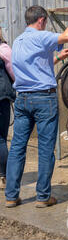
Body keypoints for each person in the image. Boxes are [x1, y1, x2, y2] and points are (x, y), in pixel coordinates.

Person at [5, 5, 68, 208]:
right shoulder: (41, 37)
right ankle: (43, 197)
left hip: (23, 99)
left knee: (17, 147)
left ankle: (11, 196)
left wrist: (59, 58)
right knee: (45, 149)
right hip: (44, 100)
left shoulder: (17, 42)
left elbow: (34, 65)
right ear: (42, 20)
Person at [0, 28, 15, 191]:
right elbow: (14, 71)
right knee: (1, 139)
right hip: (1, 97)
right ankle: (3, 176)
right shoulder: (3, 49)